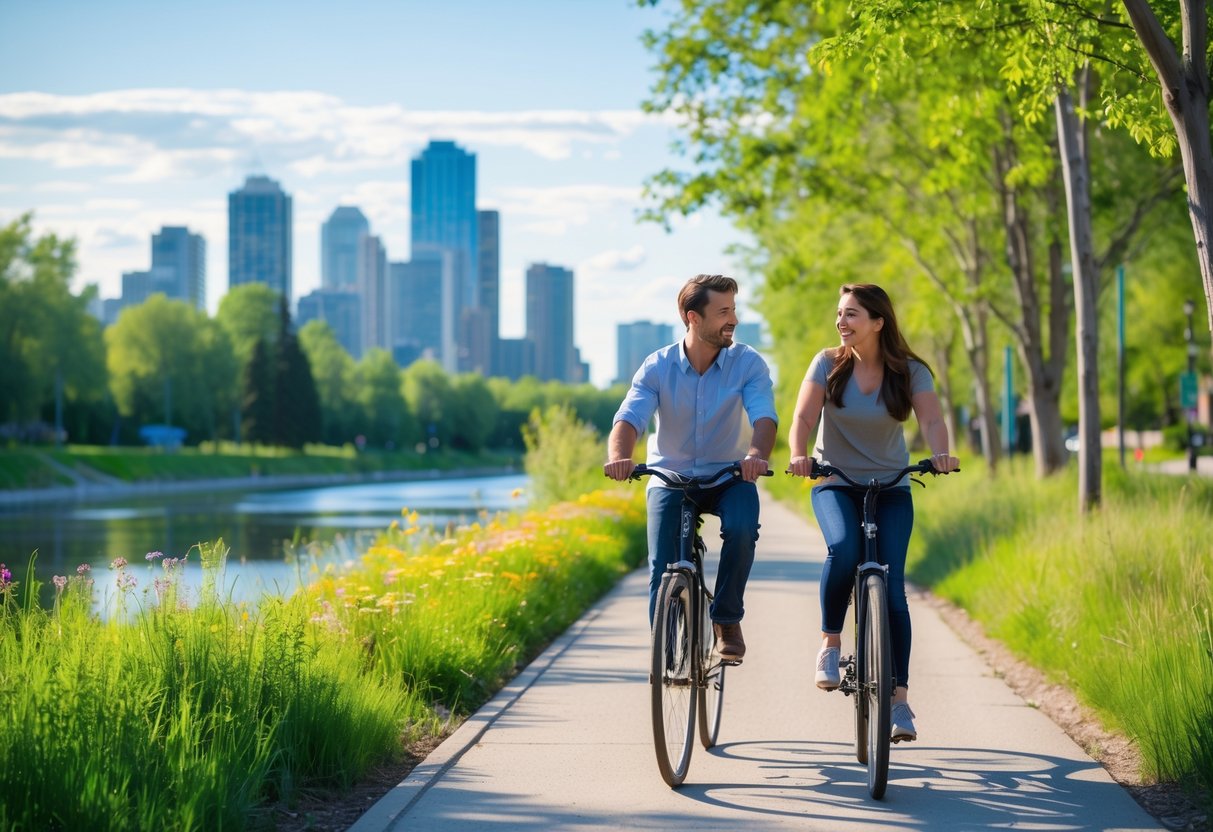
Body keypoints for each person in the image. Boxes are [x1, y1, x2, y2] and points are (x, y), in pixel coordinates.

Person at [786, 283, 958, 742]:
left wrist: (941, 453)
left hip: (891, 487)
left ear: (878, 322)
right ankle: (830, 644)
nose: (841, 322)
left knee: (894, 589)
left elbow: (933, 421)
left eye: (852, 315)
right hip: (835, 482)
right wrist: (799, 452)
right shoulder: (826, 364)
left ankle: (900, 702)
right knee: (843, 550)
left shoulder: (910, 371)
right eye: (840, 314)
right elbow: (803, 417)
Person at [604, 274, 778, 661]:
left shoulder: (747, 363)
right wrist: (620, 456)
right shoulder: (657, 366)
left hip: (729, 475)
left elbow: (764, 416)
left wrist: (756, 455)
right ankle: (663, 654)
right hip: (670, 478)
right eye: (723, 312)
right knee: (661, 566)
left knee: (743, 527)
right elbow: (629, 418)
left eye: (733, 309)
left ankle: (727, 618)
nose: (732, 319)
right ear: (692, 318)